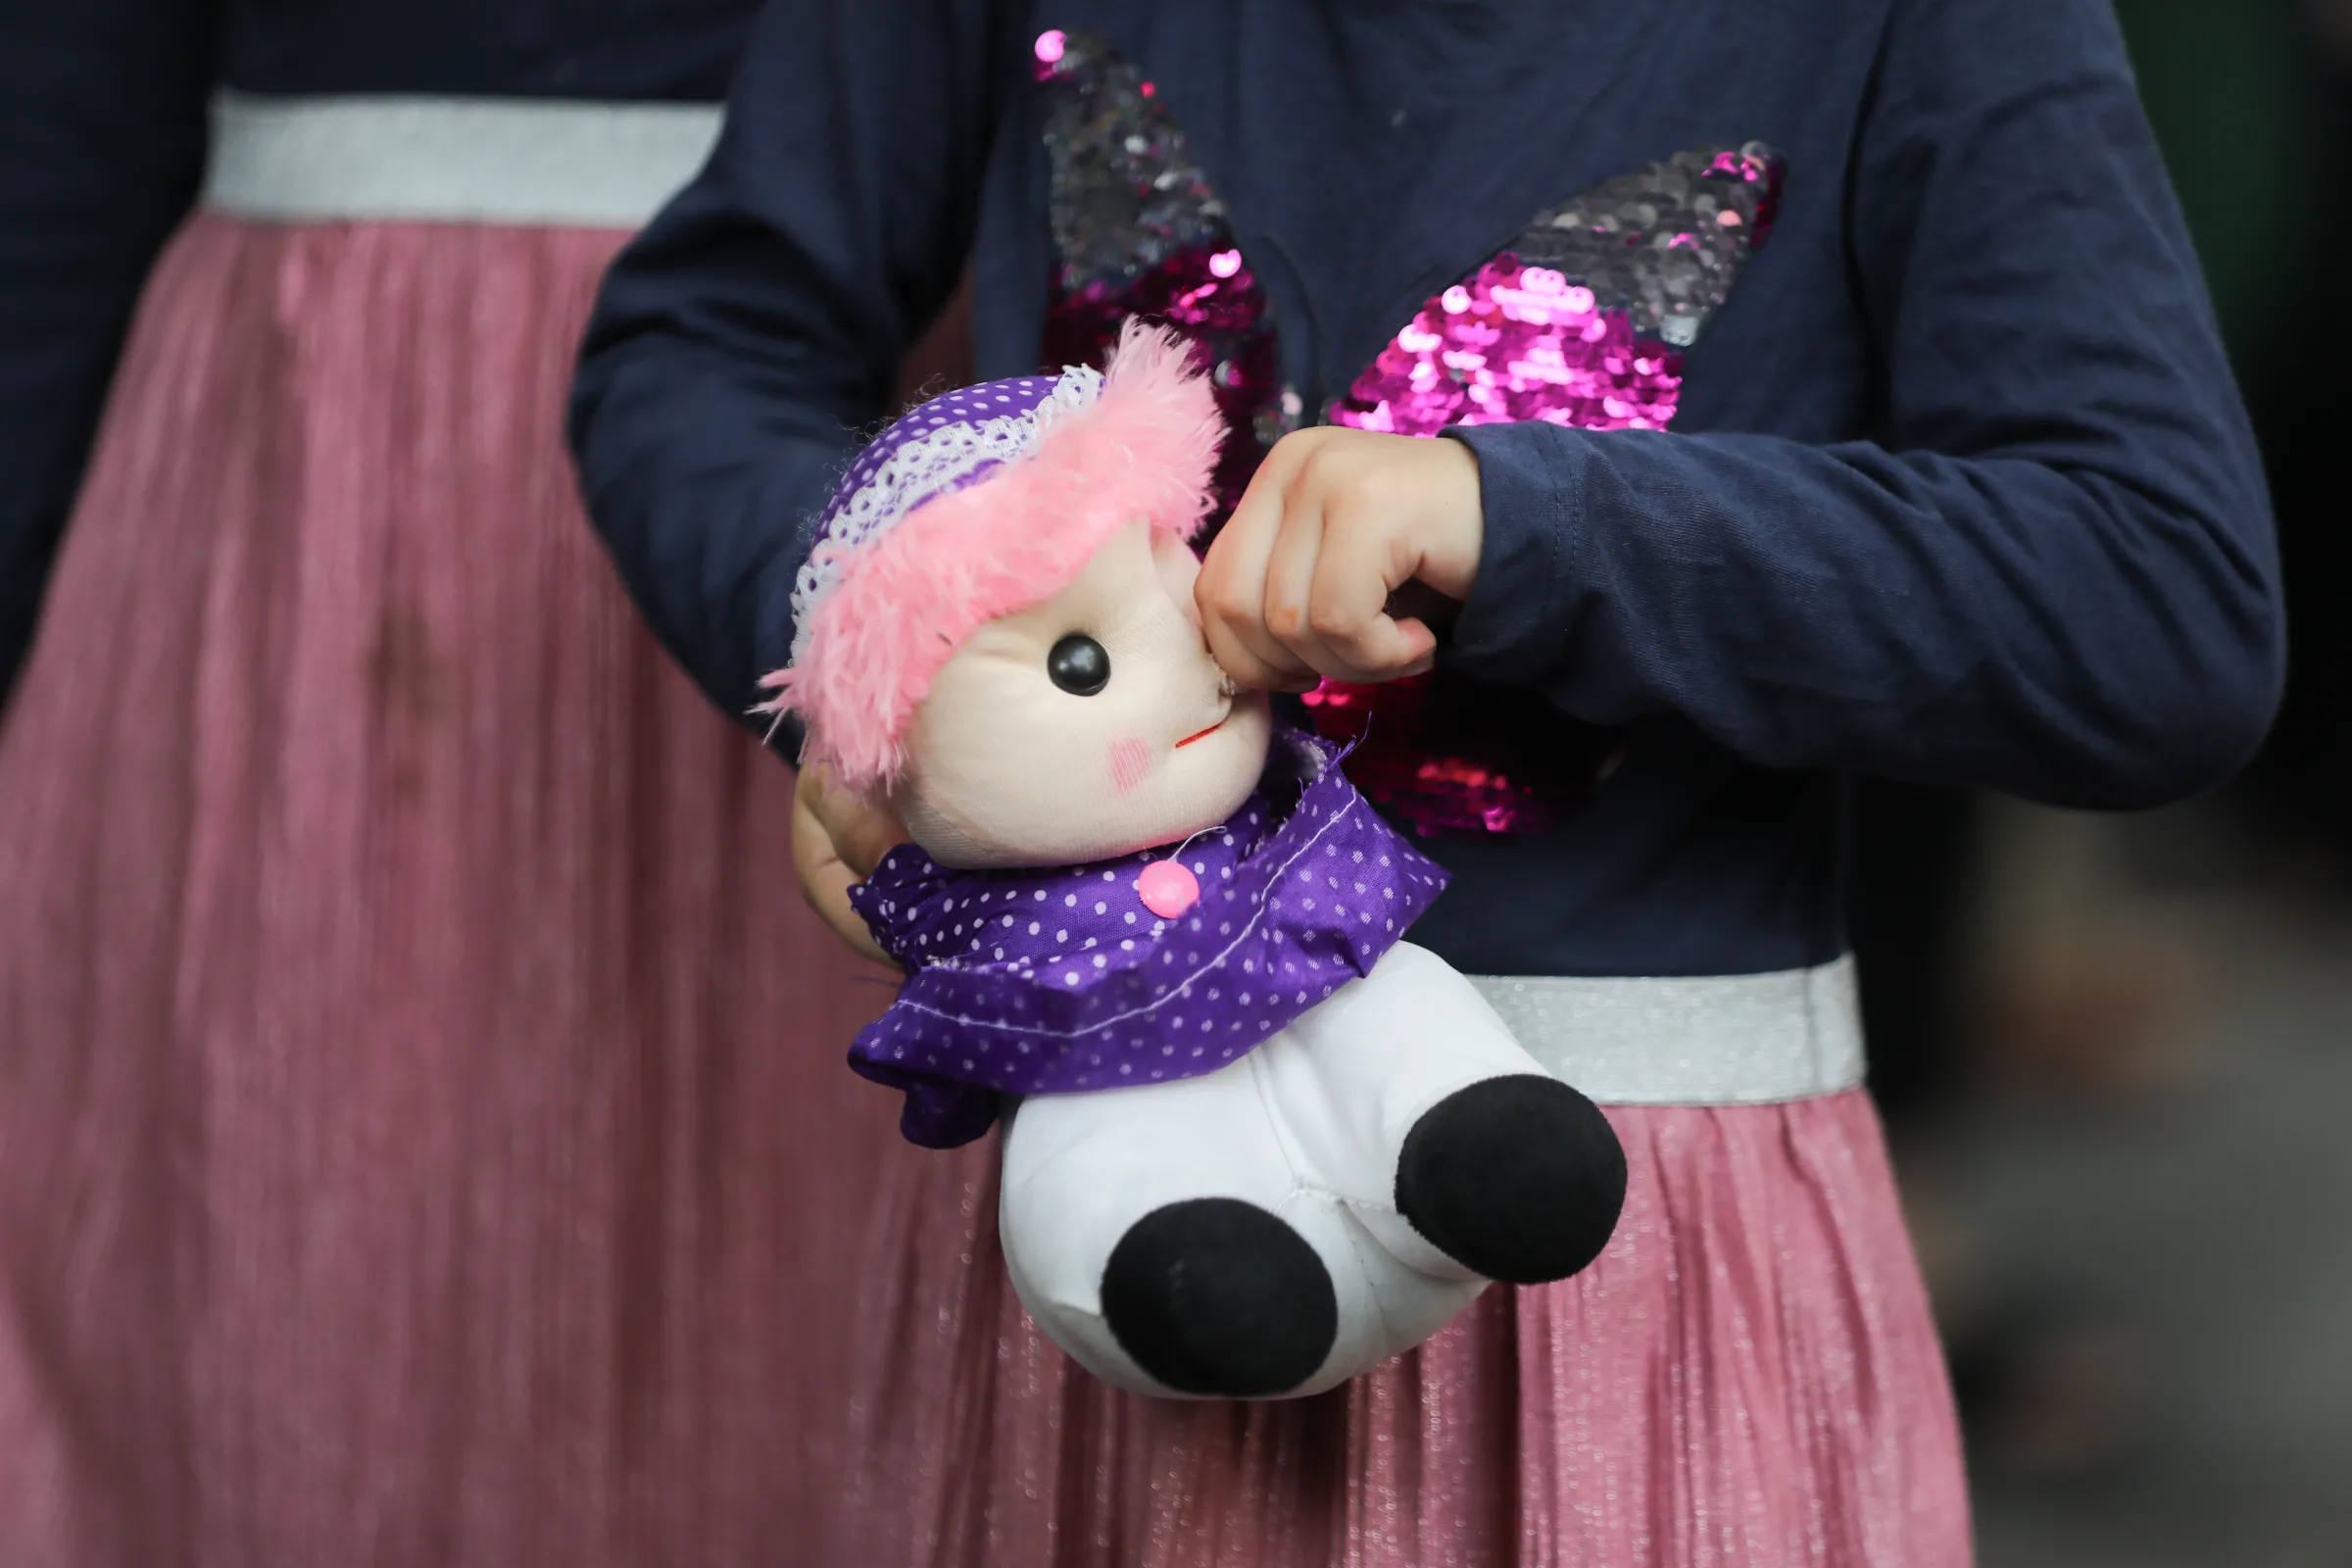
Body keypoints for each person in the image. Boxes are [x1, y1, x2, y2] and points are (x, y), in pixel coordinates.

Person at [569, 0, 2283, 1561]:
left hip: (1638, 1267)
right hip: (1101, 1219)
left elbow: (2160, 605)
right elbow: (705, 342)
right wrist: (868, 655)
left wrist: (1523, 524)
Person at [0, 4, 920, 1561]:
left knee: (813, 1299)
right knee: (296, 1256)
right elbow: (66, 132)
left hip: (847, 480)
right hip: (327, 460)